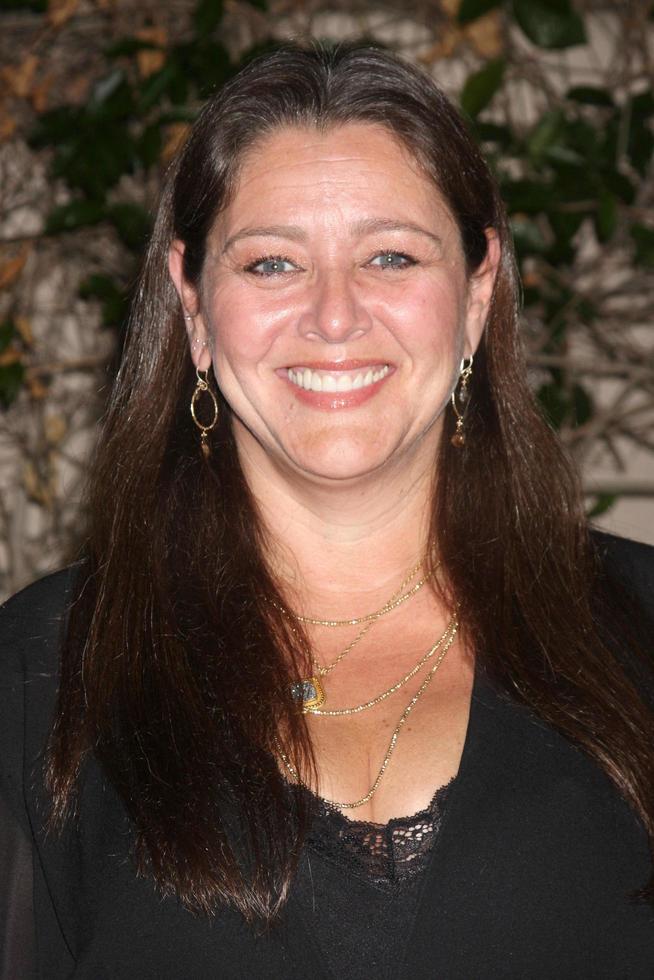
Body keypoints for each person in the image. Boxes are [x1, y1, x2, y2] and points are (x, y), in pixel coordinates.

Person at [1, 43, 653, 979]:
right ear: (193, 308)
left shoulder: (643, 631)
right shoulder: (40, 676)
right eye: (272, 265)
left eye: (390, 256)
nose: (335, 316)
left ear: (475, 296)